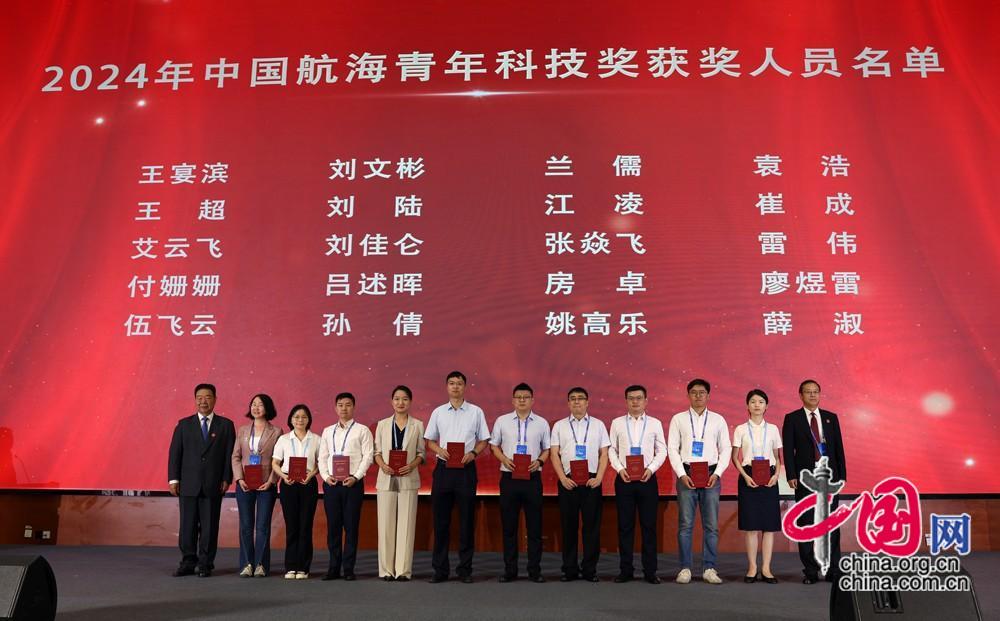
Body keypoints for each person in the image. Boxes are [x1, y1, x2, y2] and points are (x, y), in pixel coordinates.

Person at [424, 370, 490, 583]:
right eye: (451, 383)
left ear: (465, 387)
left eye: (459, 383)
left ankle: (465, 570)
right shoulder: (438, 412)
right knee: (440, 522)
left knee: (466, 521)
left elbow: (484, 440)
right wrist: (439, 450)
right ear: (447, 387)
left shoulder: (476, 412)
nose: (455, 387)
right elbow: (429, 440)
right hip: (443, 470)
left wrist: (473, 453)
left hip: (466, 470)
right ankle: (440, 570)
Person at [667, 378, 732, 585]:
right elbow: (672, 449)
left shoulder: (718, 420)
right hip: (687, 474)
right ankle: (685, 568)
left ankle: (709, 568)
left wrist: (718, 473)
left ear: (708, 395)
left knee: (711, 525)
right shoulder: (678, 419)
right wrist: (681, 474)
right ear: (688, 395)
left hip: (711, 475)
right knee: (685, 525)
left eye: (702, 392)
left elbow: (726, 449)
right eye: (694, 392)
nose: (698, 396)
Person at [782, 379, 847, 584]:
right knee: (806, 523)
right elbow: (788, 450)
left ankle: (833, 569)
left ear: (820, 394)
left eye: (816, 391)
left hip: (829, 477)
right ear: (800, 395)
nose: (812, 395)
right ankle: (810, 570)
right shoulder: (792, 418)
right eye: (808, 392)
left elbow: (838, 448)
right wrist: (791, 475)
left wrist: (842, 476)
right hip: (805, 478)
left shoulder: (830, 418)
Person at [168, 383, 236, 577]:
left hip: (214, 484)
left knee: (209, 527)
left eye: (207, 397)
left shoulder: (225, 425)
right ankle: (188, 562)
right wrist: (173, 479)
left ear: (215, 399)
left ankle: (206, 564)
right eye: (199, 397)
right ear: (195, 400)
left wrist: (226, 477)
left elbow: (229, 454)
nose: (203, 401)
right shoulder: (184, 425)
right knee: (187, 526)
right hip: (188, 484)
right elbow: (175, 454)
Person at [490, 383, 551, 583]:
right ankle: (510, 570)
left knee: (535, 527)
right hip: (509, 478)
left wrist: (539, 461)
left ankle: (535, 570)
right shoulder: (502, 421)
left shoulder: (542, 423)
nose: (522, 400)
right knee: (509, 527)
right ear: (513, 400)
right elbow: (493, 445)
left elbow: (547, 449)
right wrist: (504, 459)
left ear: (532, 400)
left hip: (532, 479)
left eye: (526, 397)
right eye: (518, 397)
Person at [549, 387, 610, 582]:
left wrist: (599, 477)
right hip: (568, 482)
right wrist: (562, 478)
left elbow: (604, 454)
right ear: (568, 403)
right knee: (569, 527)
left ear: (587, 402)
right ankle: (569, 569)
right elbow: (554, 454)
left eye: (580, 398)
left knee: (592, 528)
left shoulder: (598, 425)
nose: (577, 401)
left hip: (592, 481)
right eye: (573, 399)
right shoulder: (559, 426)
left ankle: (590, 570)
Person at [608, 384, 666, 584]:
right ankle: (626, 570)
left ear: (646, 401)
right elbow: (612, 449)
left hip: (647, 479)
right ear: (626, 401)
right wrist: (619, 469)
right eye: (631, 398)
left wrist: (651, 469)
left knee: (649, 526)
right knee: (625, 526)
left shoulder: (655, 423)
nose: (635, 401)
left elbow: (662, 450)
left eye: (639, 398)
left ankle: (650, 571)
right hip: (624, 479)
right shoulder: (617, 423)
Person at [318, 392, 374, 581]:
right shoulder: (327, 431)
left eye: (348, 404)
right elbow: (322, 457)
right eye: (340, 405)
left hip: (352, 484)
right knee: (333, 527)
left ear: (354, 407)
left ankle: (348, 569)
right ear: (335, 408)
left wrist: (356, 477)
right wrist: (326, 477)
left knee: (351, 527)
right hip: (332, 484)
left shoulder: (362, 430)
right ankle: (333, 568)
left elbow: (368, 456)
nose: (344, 408)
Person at [373, 386, 426, 581]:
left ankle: (403, 570)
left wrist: (412, 465)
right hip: (386, 478)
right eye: (397, 399)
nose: (400, 402)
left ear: (410, 402)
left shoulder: (418, 425)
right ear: (391, 401)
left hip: (408, 478)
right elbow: (376, 452)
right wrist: (383, 465)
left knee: (406, 525)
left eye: (404, 399)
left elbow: (421, 453)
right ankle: (386, 570)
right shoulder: (382, 425)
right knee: (385, 525)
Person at [731, 389, 782, 584]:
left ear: (766, 406)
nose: (757, 405)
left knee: (769, 527)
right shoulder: (740, 429)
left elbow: (778, 458)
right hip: (748, 477)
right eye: (753, 401)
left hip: (769, 477)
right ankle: (752, 567)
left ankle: (766, 568)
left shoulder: (773, 429)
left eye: (761, 401)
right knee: (751, 526)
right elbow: (735, 458)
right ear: (747, 405)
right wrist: (745, 476)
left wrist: (776, 475)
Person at [232, 393, 282, 578]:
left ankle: (261, 564)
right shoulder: (243, 430)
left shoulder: (276, 431)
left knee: (262, 526)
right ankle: (247, 564)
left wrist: (271, 481)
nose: (256, 407)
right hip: (245, 484)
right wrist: (239, 479)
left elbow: (279, 459)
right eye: (253, 404)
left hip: (266, 485)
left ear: (267, 408)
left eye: (260, 404)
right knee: (246, 526)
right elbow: (236, 457)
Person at [272, 404, 321, 580]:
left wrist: (311, 475)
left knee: (305, 526)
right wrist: (284, 477)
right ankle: (291, 566)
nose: (300, 420)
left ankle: (303, 567)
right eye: (296, 417)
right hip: (289, 484)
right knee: (292, 526)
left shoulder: (316, 439)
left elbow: (320, 463)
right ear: (291, 419)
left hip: (308, 484)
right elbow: (275, 463)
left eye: (304, 417)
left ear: (309, 420)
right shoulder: (284, 439)